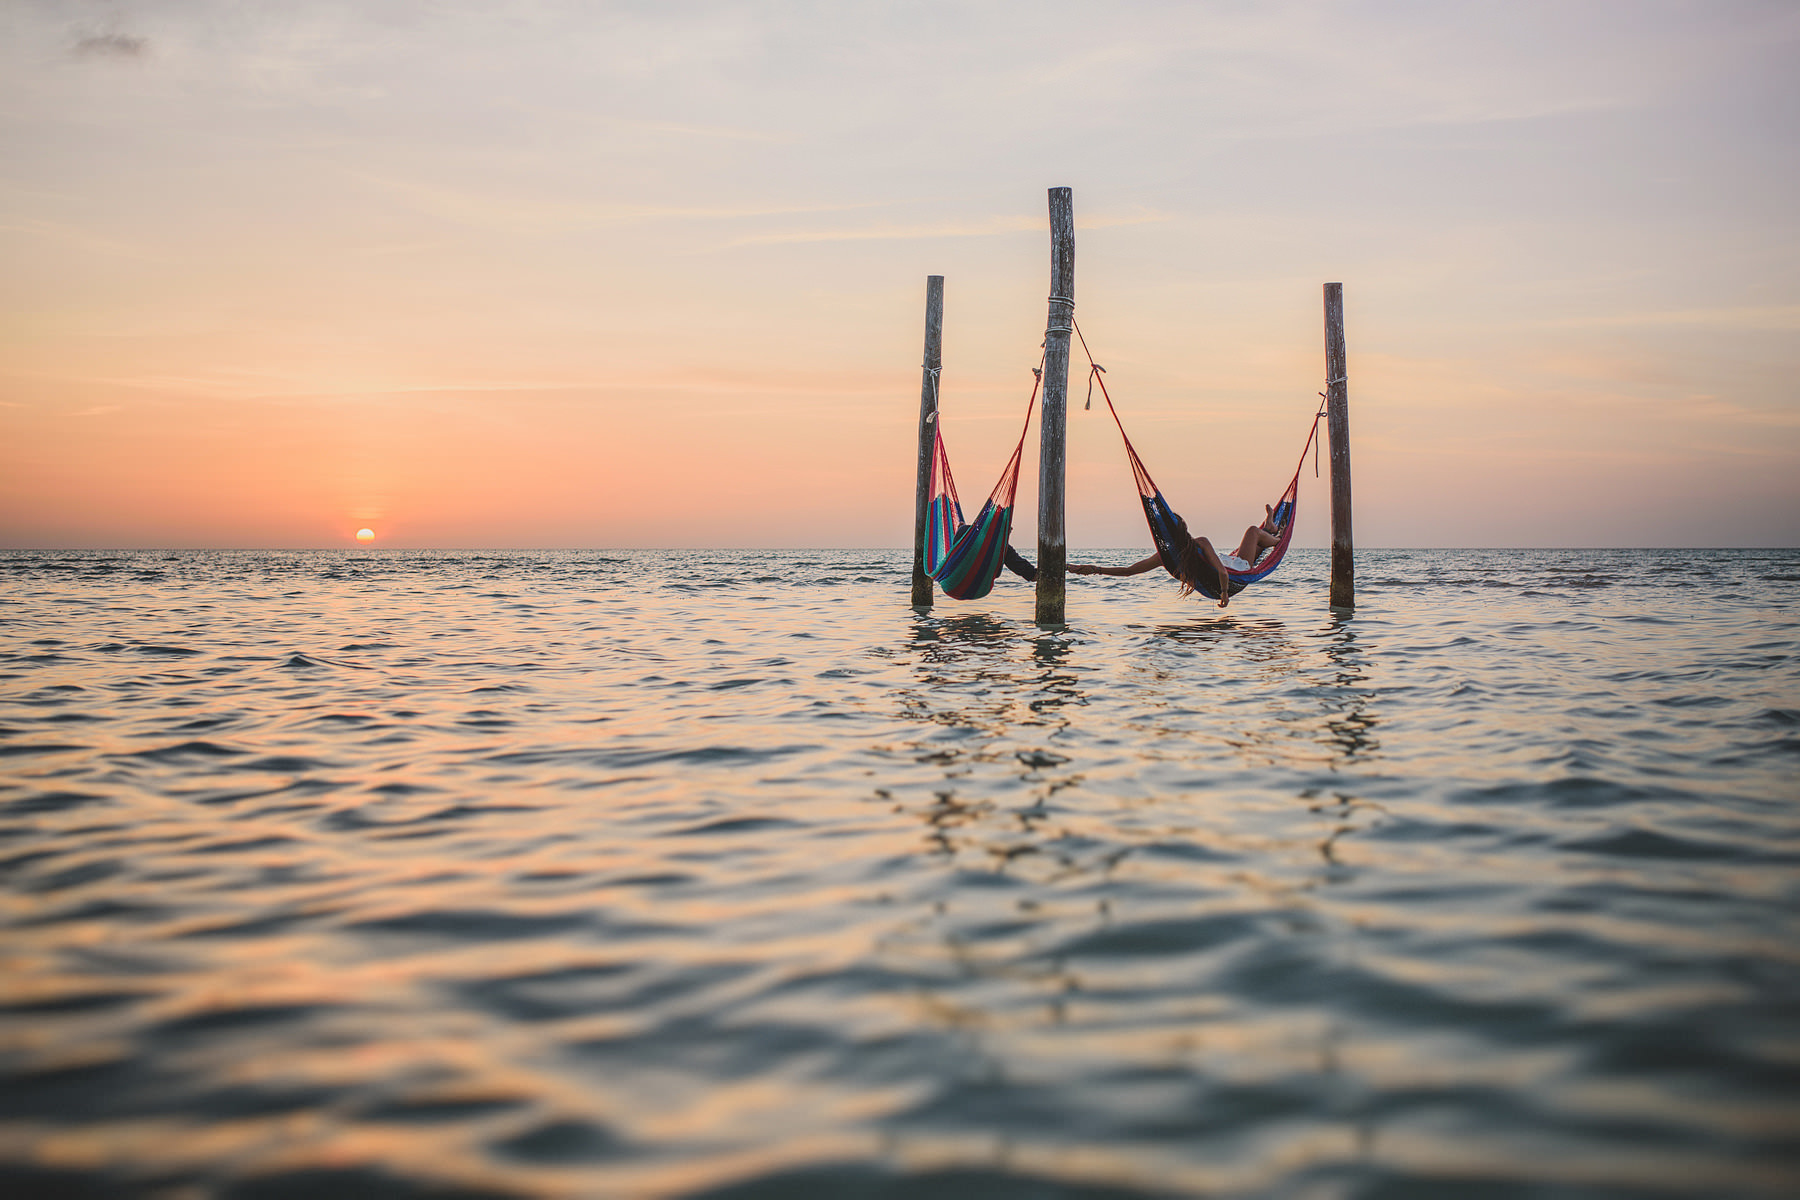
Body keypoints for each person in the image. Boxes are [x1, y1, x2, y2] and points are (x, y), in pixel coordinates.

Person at [1068, 506, 1280, 609]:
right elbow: (1224, 573)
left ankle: (1271, 530)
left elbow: (1129, 571)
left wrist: (1096, 569)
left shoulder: (1166, 557)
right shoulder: (1200, 543)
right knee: (1253, 531)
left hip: (1232, 567)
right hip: (1237, 569)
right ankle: (1277, 538)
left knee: (1256, 537)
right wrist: (1225, 593)